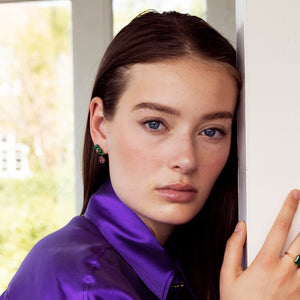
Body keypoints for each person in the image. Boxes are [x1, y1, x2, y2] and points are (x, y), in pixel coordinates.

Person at [1, 10, 299, 300]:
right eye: (154, 124)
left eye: (211, 131)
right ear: (100, 127)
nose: (186, 159)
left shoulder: (192, 263)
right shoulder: (82, 282)